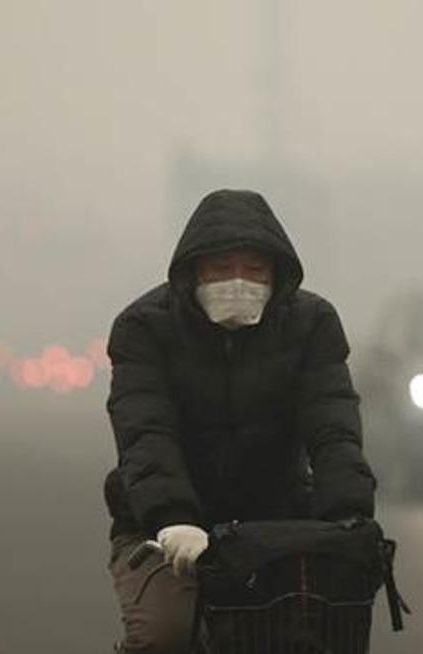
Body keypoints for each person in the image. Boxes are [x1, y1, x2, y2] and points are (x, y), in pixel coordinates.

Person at [103, 189, 376, 653]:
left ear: (276, 275)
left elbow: (332, 425)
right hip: (164, 527)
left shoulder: (311, 322)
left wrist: (347, 515)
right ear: (193, 272)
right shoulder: (145, 327)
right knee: (164, 636)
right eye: (221, 269)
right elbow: (146, 431)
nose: (238, 282)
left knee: (309, 634)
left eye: (254, 270)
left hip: (277, 523)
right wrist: (172, 519)